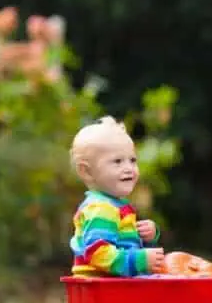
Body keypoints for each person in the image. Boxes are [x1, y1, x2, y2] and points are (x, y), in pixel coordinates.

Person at [69, 116, 166, 277]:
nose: (129, 168)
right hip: (101, 284)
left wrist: (147, 235)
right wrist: (140, 260)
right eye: (117, 161)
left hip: (115, 282)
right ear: (87, 171)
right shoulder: (101, 208)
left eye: (132, 160)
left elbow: (125, 244)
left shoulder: (114, 205)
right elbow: (98, 254)